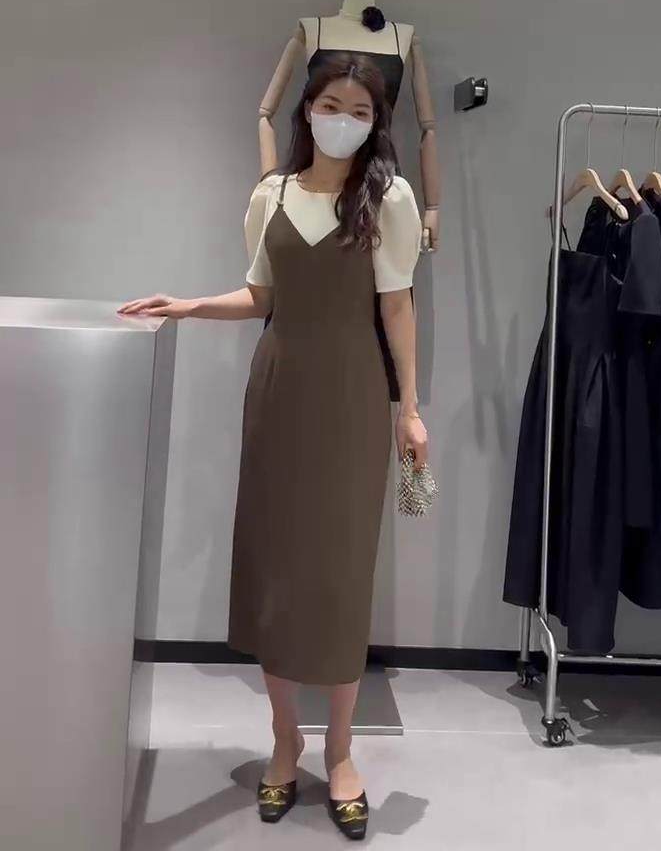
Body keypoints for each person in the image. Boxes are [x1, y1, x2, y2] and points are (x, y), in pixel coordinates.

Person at [118, 54, 429, 842]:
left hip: (353, 394)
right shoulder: (272, 196)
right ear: (307, 110)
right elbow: (261, 294)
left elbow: (397, 307)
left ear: (375, 123)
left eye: (359, 110)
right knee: (277, 569)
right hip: (280, 391)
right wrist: (187, 305)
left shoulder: (390, 198)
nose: (343, 120)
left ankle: (341, 750)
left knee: (341, 573)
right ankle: (285, 742)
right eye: (331, 104)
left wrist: (410, 409)